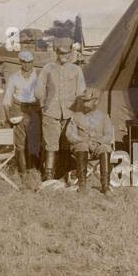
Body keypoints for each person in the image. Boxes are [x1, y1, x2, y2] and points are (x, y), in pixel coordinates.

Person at [38, 37, 85, 180]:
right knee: (51, 146)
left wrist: (76, 114)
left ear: (70, 53)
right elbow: (39, 91)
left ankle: (66, 174)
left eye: (66, 53)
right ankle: (49, 177)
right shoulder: (47, 69)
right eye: (60, 53)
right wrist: (44, 106)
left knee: (68, 145)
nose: (63, 56)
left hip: (69, 115)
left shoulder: (76, 70)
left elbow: (81, 92)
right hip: (51, 113)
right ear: (56, 53)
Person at [0, 49, 41, 174]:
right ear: (20, 62)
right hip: (18, 109)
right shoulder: (14, 77)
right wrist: (8, 117)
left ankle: (33, 170)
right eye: (24, 62)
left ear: (32, 62)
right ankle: (22, 172)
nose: (26, 65)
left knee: (34, 141)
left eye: (29, 62)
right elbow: (7, 99)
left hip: (34, 109)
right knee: (20, 143)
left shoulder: (39, 76)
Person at [67, 89, 115, 193]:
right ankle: (82, 185)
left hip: (98, 147)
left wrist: (98, 142)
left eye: (88, 101)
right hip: (82, 148)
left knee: (105, 148)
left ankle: (105, 186)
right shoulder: (76, 116)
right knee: (82, 146)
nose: (85, 103)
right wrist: (84, 141)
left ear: (96, 102)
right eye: (84, 101)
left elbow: (108, 135)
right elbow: (70, 135)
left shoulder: (104, 117)